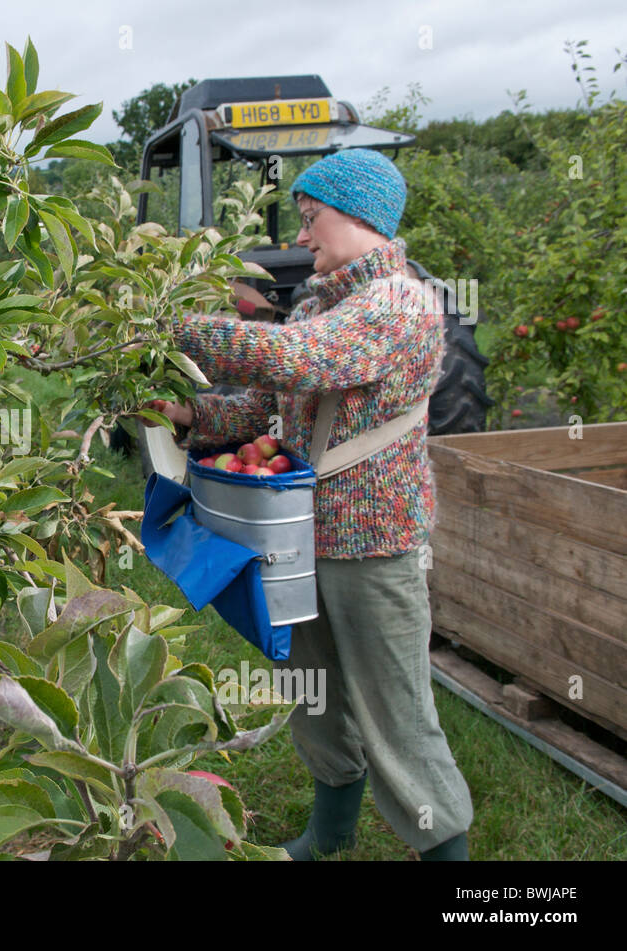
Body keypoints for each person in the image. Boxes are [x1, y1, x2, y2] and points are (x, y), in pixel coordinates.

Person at [154, 148, 473, 861]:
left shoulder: (398, 303)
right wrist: (182, 412)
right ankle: (330, 833)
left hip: (373, 546)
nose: (303, 236)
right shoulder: (318, 303)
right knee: (315, 692)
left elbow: (302, 360)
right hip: (298, 539)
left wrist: (174, 324)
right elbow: (262, 408)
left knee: (397, 713)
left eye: (311, 218)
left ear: (359, 215)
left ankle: (450, 862)